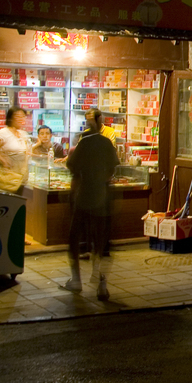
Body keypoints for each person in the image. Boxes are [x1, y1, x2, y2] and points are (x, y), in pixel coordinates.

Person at [64, 108, 120, 299]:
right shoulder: (106, 143)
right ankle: (101, 285)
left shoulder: (83, 143)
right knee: (101, 243)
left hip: (84, 195)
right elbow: (112, 169)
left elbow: (72, 168)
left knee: (74, 236)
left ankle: (76, 280)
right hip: (102, 196)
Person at [0, 107, 31, 193]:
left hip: (22, 176)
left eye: (23, 116)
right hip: (7, 177)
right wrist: (3, 160)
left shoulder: (23, 133)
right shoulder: (3, 133)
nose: (21, 119)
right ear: (10, 118)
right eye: (18, 116)